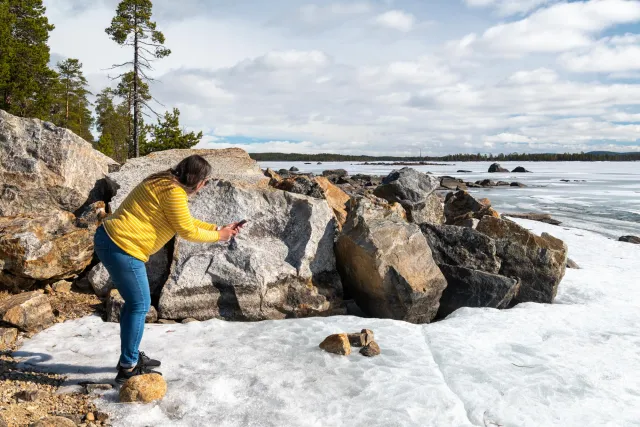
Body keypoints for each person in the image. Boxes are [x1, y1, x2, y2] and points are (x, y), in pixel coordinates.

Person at [93, 154, 243, 384]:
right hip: (123, 247)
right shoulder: (173, 192)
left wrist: (218, 228)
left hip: (111, 239)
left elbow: (184, 220)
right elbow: (186, 231)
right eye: (206, 181)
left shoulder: (161, 181)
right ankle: (128, 368)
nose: (204, 186)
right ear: (198, 179)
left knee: (135, 304)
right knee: (140, 304)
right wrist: (219, 236)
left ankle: (129, 356)